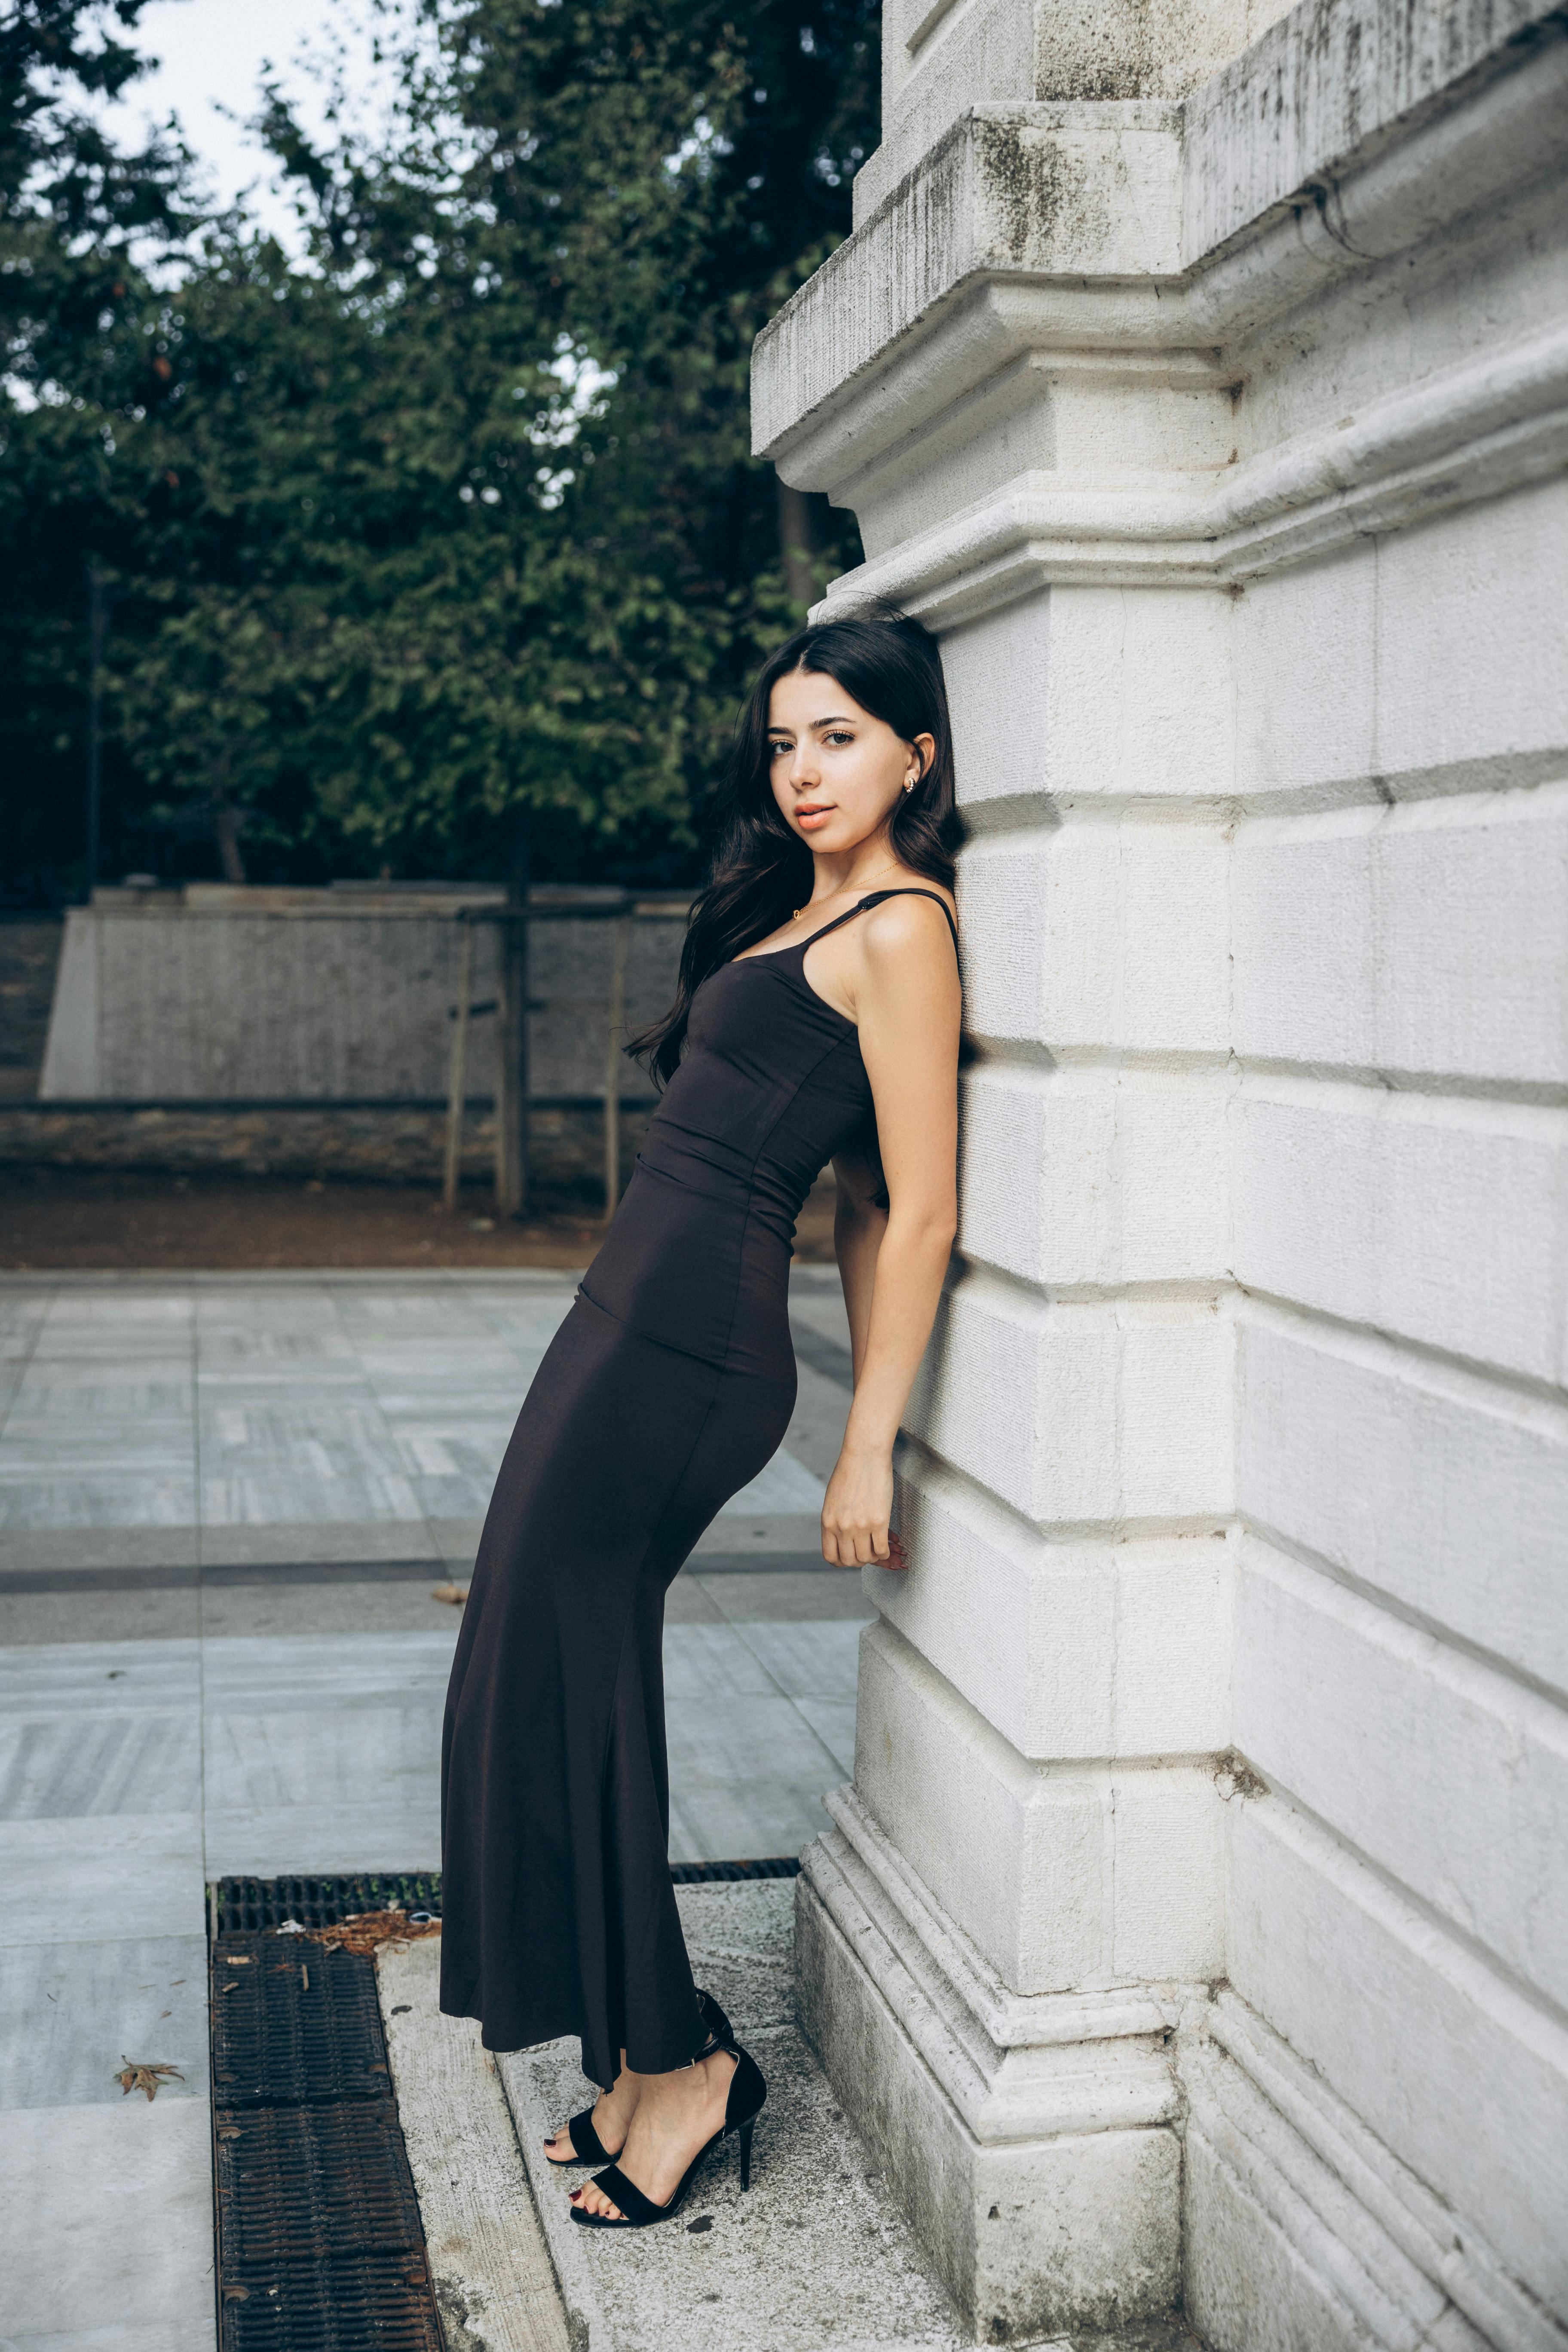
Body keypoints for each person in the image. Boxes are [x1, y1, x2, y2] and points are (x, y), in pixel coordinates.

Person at [439, 602, 965, 2230]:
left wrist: (870, 1436)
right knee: (530, 1657)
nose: (805, 771)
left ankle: (680, 2072)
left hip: (694, 1357)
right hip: (620, 1325)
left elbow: (914, 1208)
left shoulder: (902, 929)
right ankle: (633, 2048)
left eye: (843, 738)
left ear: (915, 755)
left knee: (571, 1662)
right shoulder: (784, 910)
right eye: (787, 741)